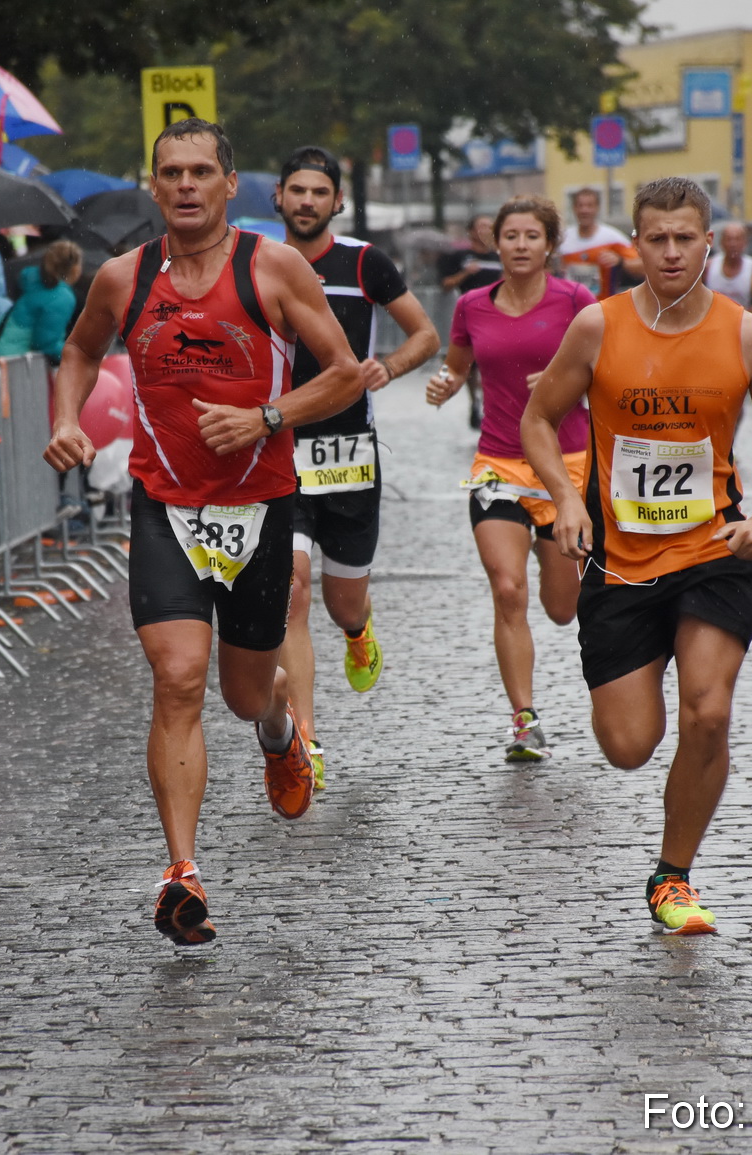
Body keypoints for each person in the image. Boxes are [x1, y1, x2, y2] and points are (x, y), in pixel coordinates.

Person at [43, 118, 362, 946]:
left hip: (257, 506)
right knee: (179, 676)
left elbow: (342, 373)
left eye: (200, 172)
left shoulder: (274, 267)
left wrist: (266, 417)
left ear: (229, 184)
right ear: (153, 187)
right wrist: (65, 419)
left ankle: (280, 728)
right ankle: (182, 873)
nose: (185, 185)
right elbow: (77, 353)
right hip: (164, 505)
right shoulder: (123, 276)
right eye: (170, 173)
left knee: (244, 692)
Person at [520, 176, 752, 936]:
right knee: (628, 746)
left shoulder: (749, 334)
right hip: (620, 562)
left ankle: (673, 874)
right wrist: (564, 497)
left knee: (709, 710)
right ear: (635, 246)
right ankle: (644, 667)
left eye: (686, 237)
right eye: (657, 238)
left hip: (714, 548)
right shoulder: (596, 326)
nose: (672, 251)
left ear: (708, 242)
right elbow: (537, 419)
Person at [274, 145, 438, 788]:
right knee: (292, 588)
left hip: (347, 453)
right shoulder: (258, 263)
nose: (308, 201)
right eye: (298, 191)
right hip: (281, 446)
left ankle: (358, 629)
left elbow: (424, 333)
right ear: (279, 199)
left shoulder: (365, 262)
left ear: (337, 202)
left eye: (320, 192)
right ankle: (304, 740)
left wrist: (388, 367)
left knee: (342, 602)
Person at [424, 196, 595, 762]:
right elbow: (457, 362)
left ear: (550, 245)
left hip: (566, 468)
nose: (521, 245)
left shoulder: (576, 301)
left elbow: (612, 366)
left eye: (532, 236)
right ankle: (524, 719)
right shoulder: (473, 304)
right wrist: (446, 383)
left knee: (563, 607)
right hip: (497, 462)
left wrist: (565, 376)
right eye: (511, 236)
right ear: (494, 243)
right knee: (506, 588)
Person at [435, 215, 502, 429]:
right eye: (481, 226)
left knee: (494, 362)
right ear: (471, 231)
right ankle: (475, 401)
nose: (486, 230)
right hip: (470, 316)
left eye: (490, 226)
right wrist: (466, 273)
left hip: (498, 316)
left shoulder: (500, 256)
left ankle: (492, 402)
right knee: (470, 365)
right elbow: (446, 284)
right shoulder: (459, 256)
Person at [0, 239, 81, 362]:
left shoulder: (35, 283)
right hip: (15, 363)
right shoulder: (61, 297)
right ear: (75, 269)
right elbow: (45, 344)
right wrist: (79, 356)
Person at [558, 186, 641, 298]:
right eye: (580, 205)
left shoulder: (612, 237)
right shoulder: (563, 238)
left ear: (597, 208)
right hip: (571, 305)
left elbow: (643, 267)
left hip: (602, 305)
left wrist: (620, 262)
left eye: (589, 205)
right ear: (574, 208)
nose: (584, 210)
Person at [703, 222, 752, 315]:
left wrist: (744, 316)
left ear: (745, 242)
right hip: (714, 319)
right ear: (721, 242)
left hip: (741, 321)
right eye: (729, 239)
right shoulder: (708, 266)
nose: (733, 244)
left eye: (737, 239)